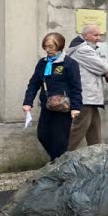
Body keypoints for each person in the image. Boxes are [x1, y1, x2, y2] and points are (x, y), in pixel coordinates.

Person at [22, 32, 82, 160]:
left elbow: (76, 87)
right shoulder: (42, 63)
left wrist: (76, 107)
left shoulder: (70, 63)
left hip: (63, 108)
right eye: (45, 47)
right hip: (47, 106)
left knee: (60, 140)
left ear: (59, 46)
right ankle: (58, 162)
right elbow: (33, 84)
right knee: (42, 135)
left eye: (51, 47)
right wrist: (27, 102)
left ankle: (58, 167)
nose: (47, 50)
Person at [66, 24, 108, 150]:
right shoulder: (83, 49)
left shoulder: (85, 48)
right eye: (95, 35)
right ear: (86, 36)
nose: (99, 38)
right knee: (78, 131)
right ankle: (61, 157)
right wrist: (106, 70)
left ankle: (96, 157)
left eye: (99, 34)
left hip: (90, 98)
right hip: (85, 97)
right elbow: (103, 67)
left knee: (94, 131)